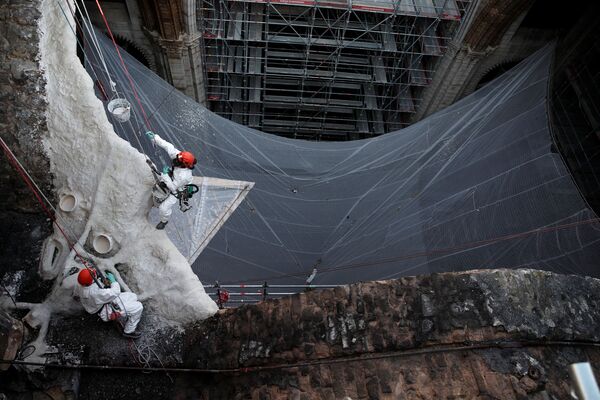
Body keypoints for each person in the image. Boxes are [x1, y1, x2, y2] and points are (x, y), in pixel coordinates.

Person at [145, 131, 196, 230]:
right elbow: (168, 146)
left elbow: (173, 187)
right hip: (172, 178)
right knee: (159, 187)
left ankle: (164, 221)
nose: (176, 159)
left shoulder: (184, 175)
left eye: (179, 160)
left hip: (177, 189)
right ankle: (155, 199)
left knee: (163, 208)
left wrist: (165, 175)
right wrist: (155, 137)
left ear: (184, 164)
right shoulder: (179, 156)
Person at [74, 268, 143, 339]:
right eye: (94, 275)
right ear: (91, 280)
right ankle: (128, 331)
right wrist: (113, 281)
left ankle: (127, 313)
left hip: (98, 305)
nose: (95, 275)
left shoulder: (80, 285)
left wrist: (102, 282)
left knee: (133, 296)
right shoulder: (95, 293)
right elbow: (115, 292)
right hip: (105, 312)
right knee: (138, 307)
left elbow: (77, 295)